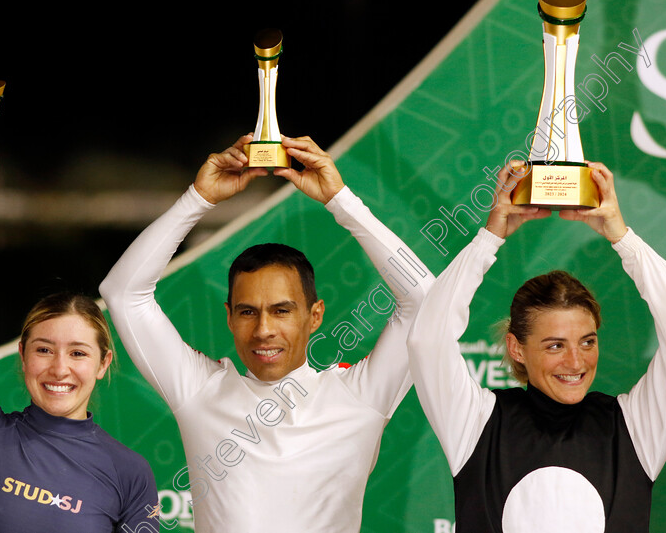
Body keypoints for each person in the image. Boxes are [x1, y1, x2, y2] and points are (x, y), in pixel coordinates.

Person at [100, 134, 435, 532]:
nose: (263, 330)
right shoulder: (200, 390)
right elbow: (122, 293)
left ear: (315, 316)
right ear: (228, 316)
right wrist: (198, 198)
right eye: (247, 312)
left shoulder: (360, 395)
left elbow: (425, 298)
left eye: (281, 311)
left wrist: (340, 200)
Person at [407, 162, 666, 532]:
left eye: (587, 341)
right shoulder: (476, 423)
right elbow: (427, 341)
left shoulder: (635, 429)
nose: (576, 361)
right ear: (516, 349)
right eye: (555, 345)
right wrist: (489, 238)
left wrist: (622, 237)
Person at [0, 130, 159, 533]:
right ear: (23, 354)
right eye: (45, 349)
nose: (60, 368)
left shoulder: (130, 472)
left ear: (103, 363)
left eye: (79, 353)